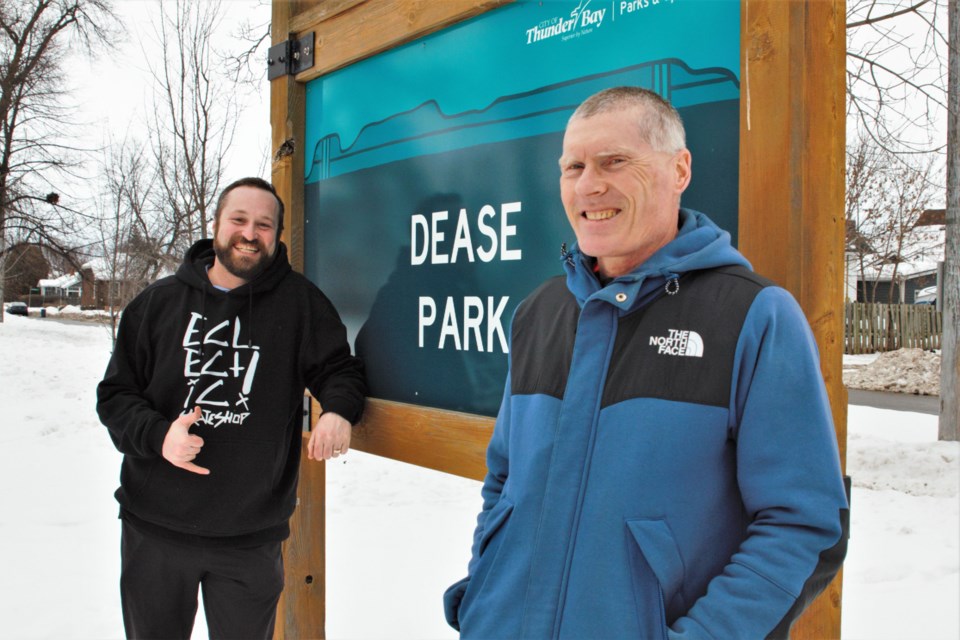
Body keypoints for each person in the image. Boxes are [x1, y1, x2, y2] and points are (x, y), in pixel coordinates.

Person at [443, 87, 849, 639]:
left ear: (679, 170)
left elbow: (804, 525)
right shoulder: (539, 312)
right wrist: (482, 596)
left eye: (615, 162)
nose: (589, 184)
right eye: (574, 167)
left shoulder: (753, 315)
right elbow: (505, 480)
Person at [97, 177, 366, 639]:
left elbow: (341, 369)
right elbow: (116, 396)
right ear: (216, 225)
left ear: (277, 235)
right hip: (156, 530)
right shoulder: (156, 305)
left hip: (250, 538)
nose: (250, 233)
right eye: (238, 219)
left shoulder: (301, 305)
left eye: (264, 224)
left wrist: (338, 411)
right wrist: (160, 436)